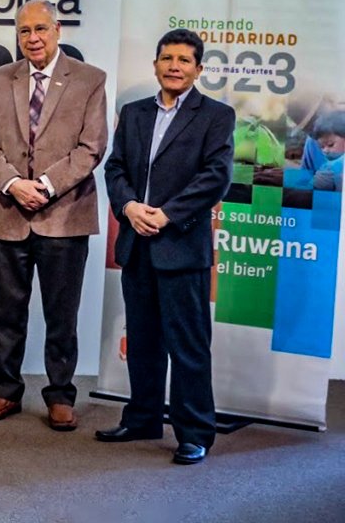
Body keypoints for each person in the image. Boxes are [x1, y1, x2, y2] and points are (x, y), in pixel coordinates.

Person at [98, 28, 234, 466]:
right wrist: (130, 206)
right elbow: (115, 168)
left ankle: (194, 432)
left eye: (184, 60)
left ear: (198, 68)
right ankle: (142, 418)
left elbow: (216, 177)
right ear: (155, 64)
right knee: (142, 341)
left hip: (180, 245)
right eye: (166, 58)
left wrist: (168, 214)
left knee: (189, 346)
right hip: (137, 243)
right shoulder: (134, 113)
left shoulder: (216, 115)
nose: (174, 66)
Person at [0, 0, 108, 432]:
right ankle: (4, 391)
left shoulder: (89, 80)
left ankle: (61, 394)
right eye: (24, 31)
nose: (32, 38)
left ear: (58, 29)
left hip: (65, 215)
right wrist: (14, 184)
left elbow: (91, 148)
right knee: (7, 311)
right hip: (8, 213)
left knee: (61, 313)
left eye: (41, 29)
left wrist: (46, 186)